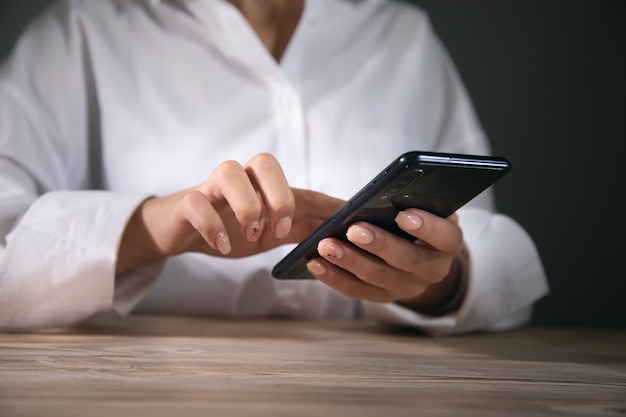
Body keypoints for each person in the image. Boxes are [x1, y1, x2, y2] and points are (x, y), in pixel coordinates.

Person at [0, 0, 548, 334]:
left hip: (377, 390)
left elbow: (480, 247)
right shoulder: (80, 31)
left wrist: (434, 282)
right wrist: (150, 227)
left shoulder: (403, 37)